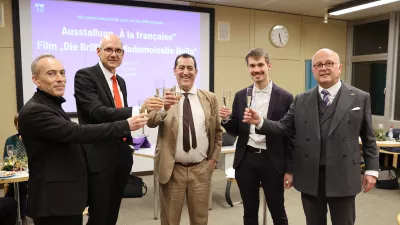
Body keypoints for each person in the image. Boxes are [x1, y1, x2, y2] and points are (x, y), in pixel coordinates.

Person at [243, 48, 379, 225]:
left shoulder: (360, 97)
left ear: (339, 67)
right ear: (313, 70)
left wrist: (371, 170)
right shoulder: (302, 99)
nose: (323, 68)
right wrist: (260, 121)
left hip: (343, 175)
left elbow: (369, 138)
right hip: (310, 177)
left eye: (328, 63)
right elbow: (283, 126)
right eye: (318, 65)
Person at [18, 54, 148, 225]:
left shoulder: (51, 105)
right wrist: (125, 125)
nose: (60, 79)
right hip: (53, 201)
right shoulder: (36, 110)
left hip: (63, 198)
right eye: (51, 74)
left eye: (62, 73)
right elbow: (77, 132)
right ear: (36, 80)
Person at [74, 34, 163, 225]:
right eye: (108, 49)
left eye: (118, 51)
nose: (114, 54)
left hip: (122, 156)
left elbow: (117, 114)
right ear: (98, 52)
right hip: (99, 158)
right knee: (98, 214)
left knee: (112, 211)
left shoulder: (120, 81)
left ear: (123, 54)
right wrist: (139, 109)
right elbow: (97, 112)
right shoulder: (85, 76)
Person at [219, 48, 294, 225]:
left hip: (272, 161)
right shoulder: (241, 95)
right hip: (246, 160)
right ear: (248, 68)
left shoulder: (285, 97)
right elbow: (236, 130)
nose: (256, 69)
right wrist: (226, 119)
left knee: (278, 211)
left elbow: (290, 135)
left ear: (269, 65)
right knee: (249, 211)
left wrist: (290, 170)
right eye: (252, 66)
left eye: (260, 64)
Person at [147, 53, 223, 225]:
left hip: (201, 170)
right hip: (173, 171)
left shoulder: (209, 98)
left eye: (190, 68)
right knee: (170, 221)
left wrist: (212, 161)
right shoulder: (163, 96)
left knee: (200, 220)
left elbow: (218, 132)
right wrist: (164, 108)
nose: (185, 72)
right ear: (174, 71)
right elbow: (151, 122)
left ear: (196, 71)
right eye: (181, 68)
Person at [3, 113, 28, 219]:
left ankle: (15, 213)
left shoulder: (33, 140)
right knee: (18, 185)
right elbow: (7, 162)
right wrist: (14, 165)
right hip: (17, 174)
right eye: (19, 123)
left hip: (32, 173)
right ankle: (21, 215)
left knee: (18, 186)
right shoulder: (10, 140)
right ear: (16, 125)